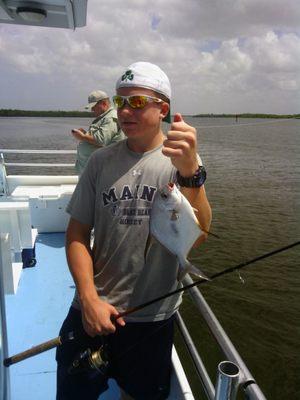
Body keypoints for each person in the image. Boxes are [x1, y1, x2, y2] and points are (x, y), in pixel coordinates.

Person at [56, 62, 212, 400]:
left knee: (140, 394)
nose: (125, 110)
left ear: (163, 109)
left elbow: (199, 232)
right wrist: (88, 299)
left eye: (138, 102)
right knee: (72, 391)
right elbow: (77, 234)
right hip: (92, 309)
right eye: (120, 100)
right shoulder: (100, 162)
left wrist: (191, 175)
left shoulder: (182, 161)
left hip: (152, 316)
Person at [72, 90, 125, 174]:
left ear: (104, 103)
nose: (92, 109)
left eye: (94, 106)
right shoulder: (105, 117)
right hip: (93, 169)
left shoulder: (110, 118)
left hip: (101, 170)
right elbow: (101, 137)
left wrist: (82, 137)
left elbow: (101, 140)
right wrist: (85, 134)